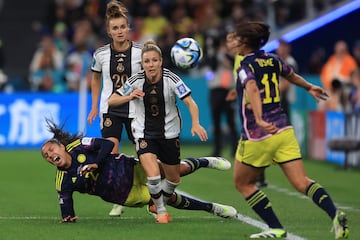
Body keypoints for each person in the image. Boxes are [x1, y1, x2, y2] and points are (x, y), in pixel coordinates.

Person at [232, 21, 349, 239]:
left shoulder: (245, 66)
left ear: (245, 42)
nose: (235, 42)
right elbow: (291, 75)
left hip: (258, 135)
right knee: (301, 182)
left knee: (243, 183)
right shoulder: (273, 59)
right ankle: (335, 214)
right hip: (283, 130)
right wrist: (309, 87)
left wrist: (258, 117)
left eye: (238, 38)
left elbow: (252, 88)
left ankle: (276, 227)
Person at [40, 120, 236, 223]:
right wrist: (68, 216)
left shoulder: (78, 145)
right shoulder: (62, 181)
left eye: (51, 149)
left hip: (131, 169)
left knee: (174, 171)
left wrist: (97, 163)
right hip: (124, 194)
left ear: (62, 147)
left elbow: (107, 144)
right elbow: (66, 204)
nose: (50, 155)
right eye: (46, 156)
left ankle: (204, 161)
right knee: (167, 200)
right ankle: (212, 208)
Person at [108, 39, 208, 223]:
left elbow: (190, 102)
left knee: (173, 180)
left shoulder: (171, 79)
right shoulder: (135, 80)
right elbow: (112, 101)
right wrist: (130, 96)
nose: (151, 64)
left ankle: (156, 203)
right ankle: (161, 211)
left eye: (154, 60)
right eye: (147, 61)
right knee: (153, 177)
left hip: (169, 134)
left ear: (161, 61)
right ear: (142, 64)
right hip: (144, 134)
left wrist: (196, 123)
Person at [87, 1, 142, 216]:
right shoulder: (100, 54)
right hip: (109, 109)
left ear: (128, 28)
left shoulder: (140, 52)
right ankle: (119, 198)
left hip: (136, 109)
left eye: (122, 27)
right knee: (111, 153)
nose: (119, 31)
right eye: (115, 28)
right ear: (109, 31)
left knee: (143, 154)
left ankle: (152, 194)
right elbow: (95, 79)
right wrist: (93, 107)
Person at [225, 31, 268, 188]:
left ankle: (258, 174)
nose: (229, 44)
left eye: (231, 40)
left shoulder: (247, 58)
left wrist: (253, 102)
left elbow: (254, 82)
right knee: (253, 138)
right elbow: (242, 81)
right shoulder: (238, 58)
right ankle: (258, 174)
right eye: (227, 41)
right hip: (244, 102)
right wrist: (235, 91)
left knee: (256, 138)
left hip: (253, 104)